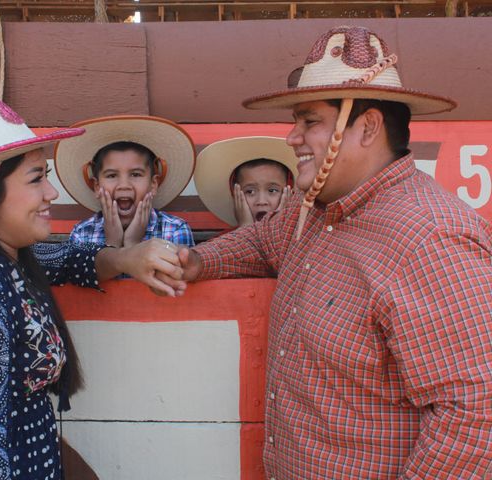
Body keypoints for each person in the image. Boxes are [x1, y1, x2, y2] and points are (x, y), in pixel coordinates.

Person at [166, 26, 492, 478]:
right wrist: (200, 261)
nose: (292, 137)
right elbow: (262, 241)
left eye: (309, 121)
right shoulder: (314, 211)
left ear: (368, 126)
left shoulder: (428, 238)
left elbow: (477, 414)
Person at [0, 97, 183, 480]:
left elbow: (68, 260)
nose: (51, 194)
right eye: (37, 178)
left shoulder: (4, 259)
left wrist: (127, 258)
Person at [54, 115, 195, 248]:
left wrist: (132, 244)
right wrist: (113, 245)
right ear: (97, 187)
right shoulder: (83, 234)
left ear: (153, 184)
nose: (124, 185)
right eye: (111, 176)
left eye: (135, 174)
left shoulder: (174, 229)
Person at [194, 136, 298, 227]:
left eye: (272, 190)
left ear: (289, 194)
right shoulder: (223, 244)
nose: (261, 201)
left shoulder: (302, 242)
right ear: (235, 194)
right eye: (250, 192)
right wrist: (245, 230)